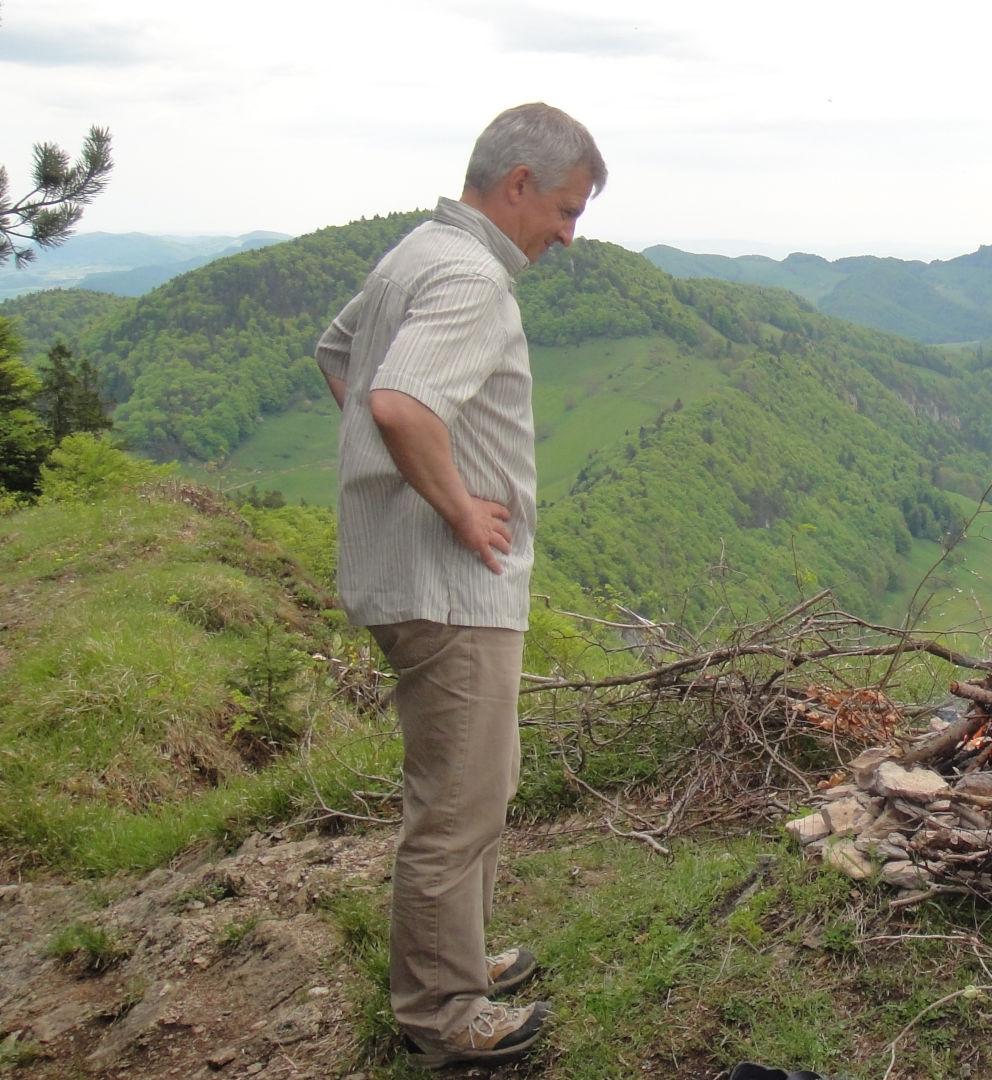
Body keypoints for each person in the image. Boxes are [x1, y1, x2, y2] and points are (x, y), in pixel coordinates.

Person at [314, 102, 605, 1069]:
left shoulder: (416, 253)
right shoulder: (474, 277)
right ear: (517, 183)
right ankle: (442, 1014)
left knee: (480, 785)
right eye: (563, 209)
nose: (567, 235)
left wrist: (392, 473)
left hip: (419, 577)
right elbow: (397, 401)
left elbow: (340, 354)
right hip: (449, 586)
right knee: (456, 804)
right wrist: (450, 505)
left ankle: (464, 957)